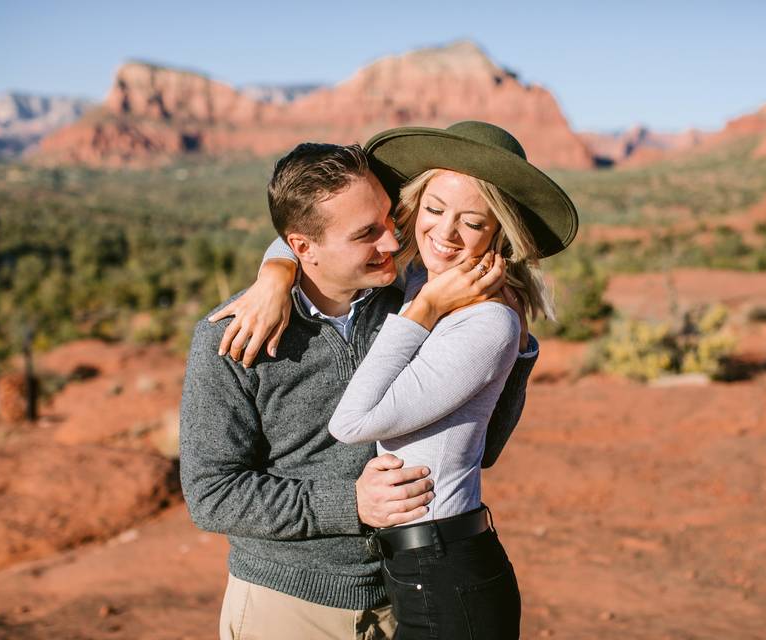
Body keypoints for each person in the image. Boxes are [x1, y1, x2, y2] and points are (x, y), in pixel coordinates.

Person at [222, 121, 578, 639]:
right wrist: (275, 276)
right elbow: (315, 230)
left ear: (499, 231)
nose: (446, 234)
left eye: (473, 222)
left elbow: (354, 421)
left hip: (445, 569)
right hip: (412, 568)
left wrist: (431, 311)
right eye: (434, 211)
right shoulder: (415, 275)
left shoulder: (483, 318)